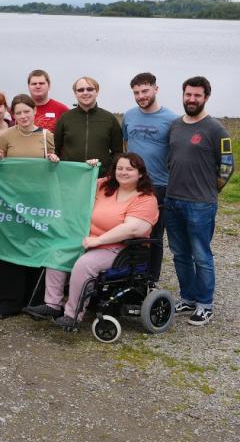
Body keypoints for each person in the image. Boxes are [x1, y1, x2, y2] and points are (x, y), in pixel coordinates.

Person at [25, 153, 159, 328]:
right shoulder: (104, 185)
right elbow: (77, 185)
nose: (123, 172)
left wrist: (99, 240)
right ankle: (52, 304)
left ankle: (72, 315)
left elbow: (133, 228)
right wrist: (86, 169)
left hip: (118, 248)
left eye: (129, 169)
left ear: (140, 173)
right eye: (119, 168)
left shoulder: (145, 199)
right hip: (89, 240)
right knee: (57, 252)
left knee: (84, 264)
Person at [165, 76, 234, 326]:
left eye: (197, 95)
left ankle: (205, 304)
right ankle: (188, 298)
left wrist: (209, 191)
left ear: (206, 97)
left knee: (201, 255)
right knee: (180, 254)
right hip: (172, 200)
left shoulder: (216, 130)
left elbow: (227, 167)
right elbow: (170, 159)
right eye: (188, 94)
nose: (191, 99)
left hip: (200, 205)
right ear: (183, 95)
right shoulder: (174, 125)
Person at [0, 94, 59, 319]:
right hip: (12, 202)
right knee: (10, 248)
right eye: (18, 113)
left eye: (26, 111)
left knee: (35, 247)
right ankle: (8, 302)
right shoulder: (5, 136)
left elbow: (52, 169)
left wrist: (55, 161)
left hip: (38, 203)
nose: (23, 116)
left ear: (34, 112)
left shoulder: (47, 136)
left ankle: (34, 301)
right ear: (13, 114)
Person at [122, 72, 177, 282]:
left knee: (153, 234)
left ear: (156, 89)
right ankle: (128, 273)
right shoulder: (128, 116)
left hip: (159, 185)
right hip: (132, 184)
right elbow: (126, 146)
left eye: (145, 91)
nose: (141, 96)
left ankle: (150, 279)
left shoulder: (171, 119)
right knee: (129, 231)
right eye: (136, 92)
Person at [54, 76, 122, 177]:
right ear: (75, 94)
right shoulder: (65, 118)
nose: (85, 92)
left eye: (89, 89)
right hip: (69, 176)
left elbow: (118, 152)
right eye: (81, 90)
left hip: (100, 178)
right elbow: (55, 149)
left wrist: (108, 170)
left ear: (97, 91)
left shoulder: (109, 119)